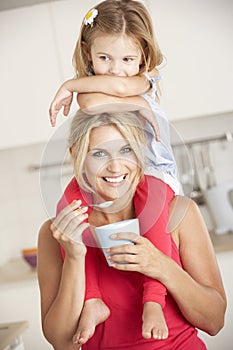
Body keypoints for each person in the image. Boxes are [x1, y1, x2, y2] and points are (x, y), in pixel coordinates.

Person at [47, 0, 181, 342]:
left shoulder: (145, 79)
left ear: (143, 58)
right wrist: (86, 91)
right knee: (69, 206)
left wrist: (71, 85)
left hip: (153, 172)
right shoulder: (97, 89)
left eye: (127, 60)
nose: (116, 70)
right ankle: (92, 299)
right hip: (120, 178)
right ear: (88, 53)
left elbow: (113, 91)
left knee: (156, 231)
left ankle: (154, 298)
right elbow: (92, 105)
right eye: (104, 58)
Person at [37, 109, 226, 350]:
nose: (115, 167)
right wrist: (74, 257)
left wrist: (160, 264)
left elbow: (214, 321)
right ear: (78, 156)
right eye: (99, 154)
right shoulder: (56, 234)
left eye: (126, 150)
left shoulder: (179, 213)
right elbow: (61, 342)